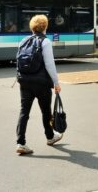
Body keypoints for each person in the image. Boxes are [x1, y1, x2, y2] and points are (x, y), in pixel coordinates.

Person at [16, 14, 62, 155]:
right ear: (45, 27)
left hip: (24, 81)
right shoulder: (45, 41)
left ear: (32, 26)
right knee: (46, 111)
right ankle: (50, 137)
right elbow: (49, 64)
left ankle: (21, 143)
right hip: (41, 83)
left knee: (24, 112)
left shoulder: (23, 40)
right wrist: (56, 82)